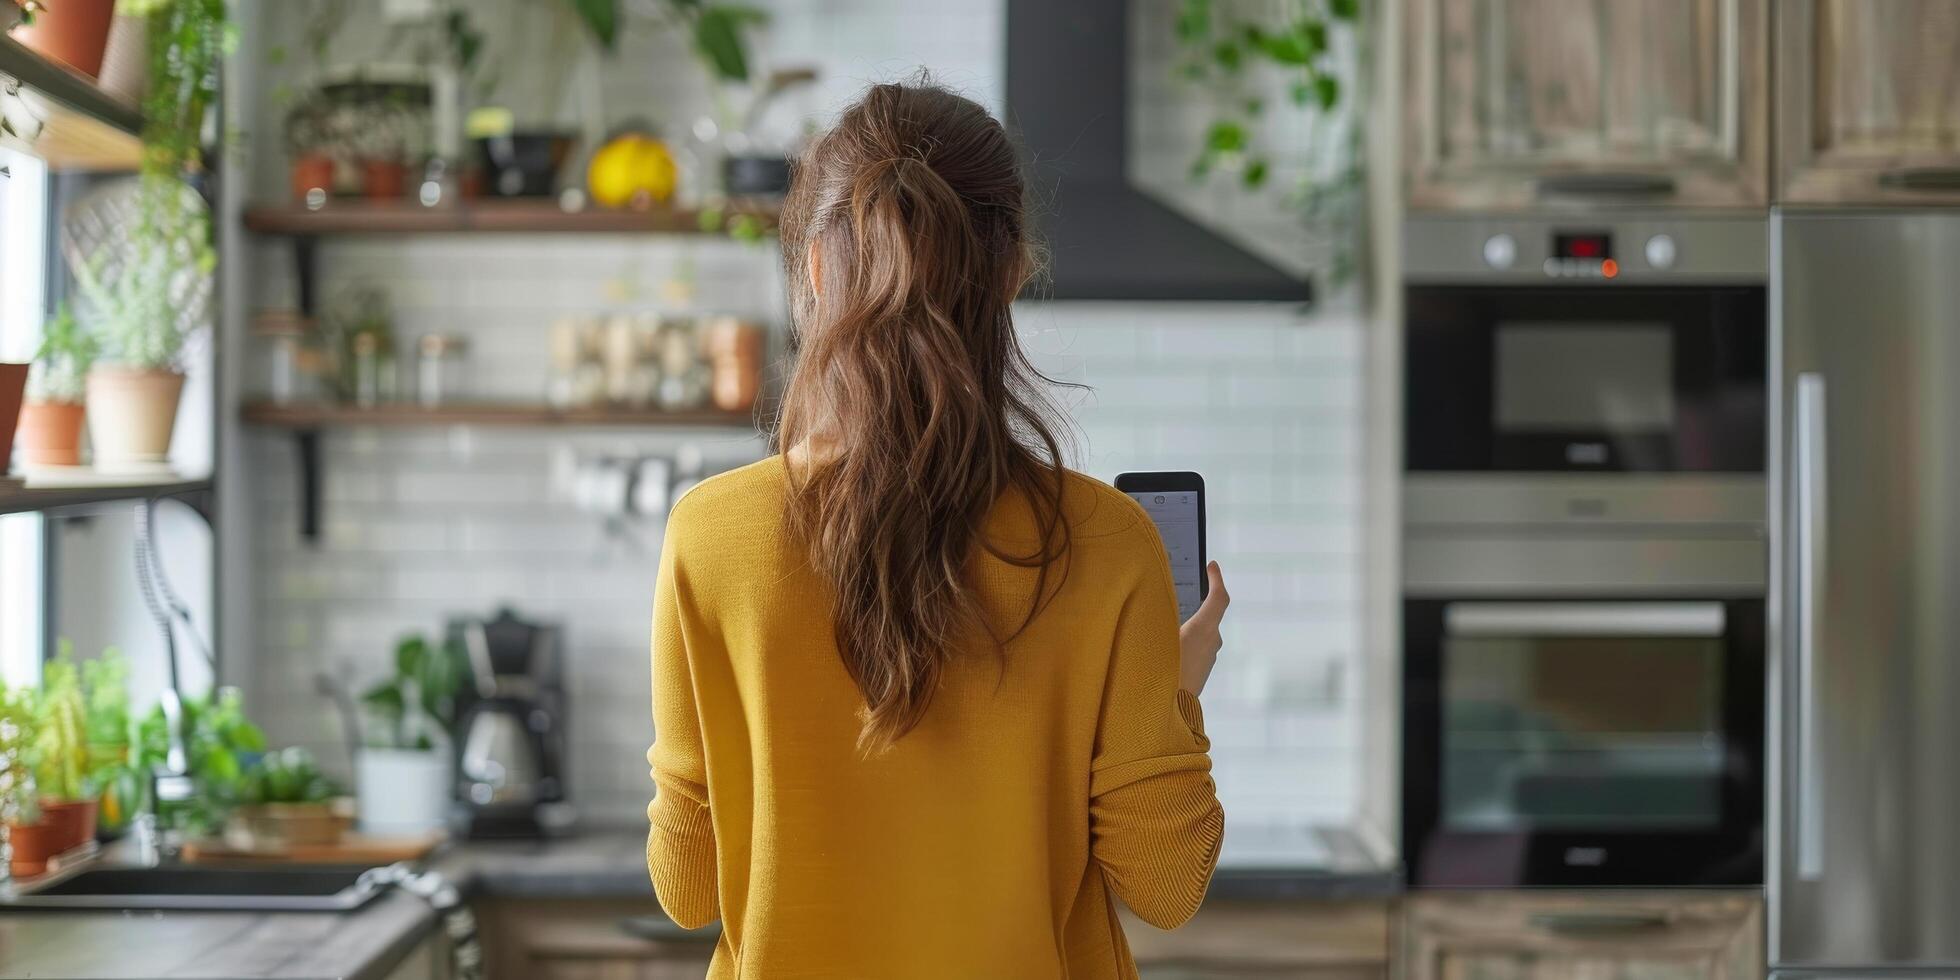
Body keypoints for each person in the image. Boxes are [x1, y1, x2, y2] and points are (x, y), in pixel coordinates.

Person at [647, 79, 1229, 979]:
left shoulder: (711, 535)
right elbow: (1165, 886)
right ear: (1010, 271)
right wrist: (1176, 690)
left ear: (810, 268)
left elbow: (684, 887)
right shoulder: (1110, 544)